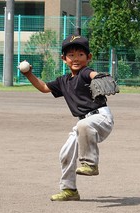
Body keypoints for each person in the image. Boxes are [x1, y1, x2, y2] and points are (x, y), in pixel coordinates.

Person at [20, 34, 114, 201]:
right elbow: (43, 87)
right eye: (71, 55)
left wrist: (100, 77)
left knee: (83, 125)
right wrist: (28, 75)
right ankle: (69, 190)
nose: (75, 58)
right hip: (84, 124)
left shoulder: (86, 72)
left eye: (80, 54)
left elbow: (93, 75)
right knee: (66, 153)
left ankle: (90, 163)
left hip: (101, 119)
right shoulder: (63, 81)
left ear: (88, 57)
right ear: (64, 58)